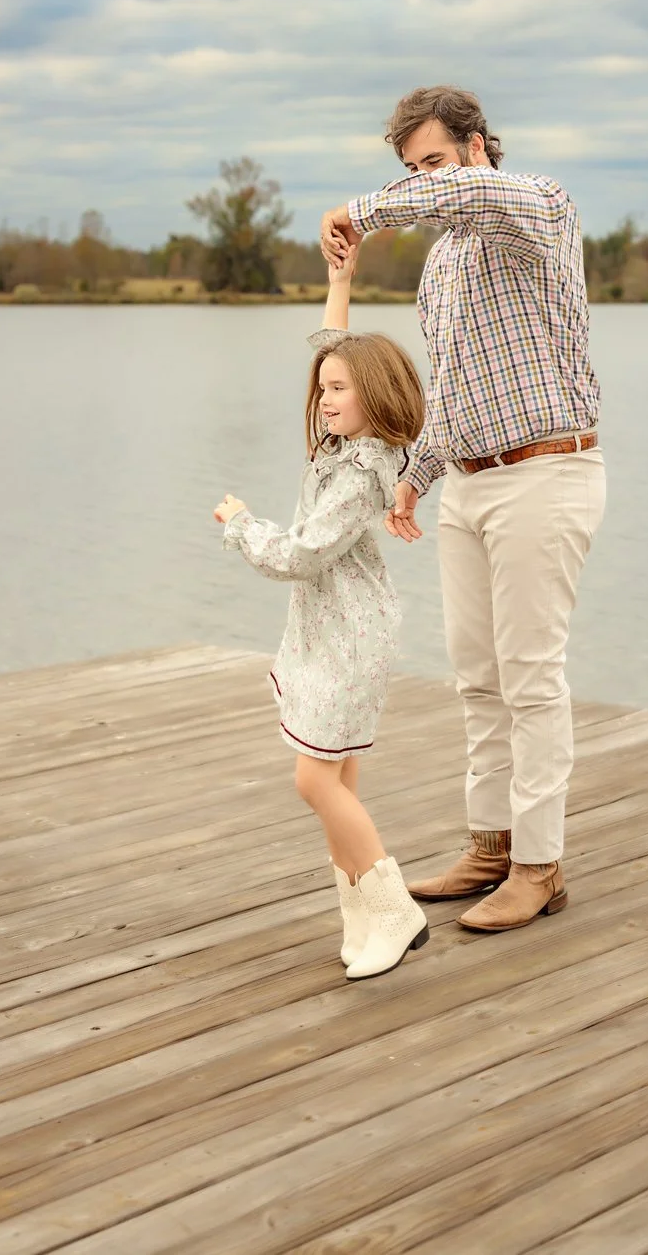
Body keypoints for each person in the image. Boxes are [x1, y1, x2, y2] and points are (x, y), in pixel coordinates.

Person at [320, 85, 605, 934]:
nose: (423, 183)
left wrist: (362, 211)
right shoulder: (441, 264)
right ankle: (489, 847)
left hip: (545, 476)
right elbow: (451, 386)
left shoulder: (539, 208)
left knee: (529, 678)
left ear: (478, 147)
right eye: (407, 170)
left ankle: (539, 865)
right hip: (471, 483)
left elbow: (465, 197)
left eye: (433, 162)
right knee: (477, 681)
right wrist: (418, 471)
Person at [213, 256, 430, 980]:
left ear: (372, 395)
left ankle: (393, 906)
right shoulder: (350, 442)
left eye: (338, 390)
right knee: (340, 781)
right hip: (332, 628)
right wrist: (339, 283)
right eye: (324, 388)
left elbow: (299, 557)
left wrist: (241, 524)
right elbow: (329, 349)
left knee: (313, 783)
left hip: (346, 635)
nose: (324, 397)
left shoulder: (360, 472)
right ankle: (359, 915)